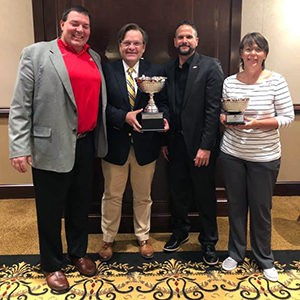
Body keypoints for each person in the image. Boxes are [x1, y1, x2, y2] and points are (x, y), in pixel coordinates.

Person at [8, 6, 107, 293]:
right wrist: (18, 147)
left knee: (80, 205)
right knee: (50, 210)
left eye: (85, 26)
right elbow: (21, 104)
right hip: (50, 145)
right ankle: (51, 264)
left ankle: (77, 252)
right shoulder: (37, 53)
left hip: (86, 143)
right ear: (62, 24)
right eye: (75, 24)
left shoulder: (95, 58)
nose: (80, 30)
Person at [219, 32, 295, 281]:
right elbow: (226, 111)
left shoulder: (276, 81)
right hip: (232, 154)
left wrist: (256, 124)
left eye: (258, 49)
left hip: (265, 157)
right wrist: (224, 118)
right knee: (236, 208)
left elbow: (287, 117)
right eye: (248, 49)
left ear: (265, 54)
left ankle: (264, 258)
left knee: (262, 210)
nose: (253, 54)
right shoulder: (230, 81)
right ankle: (235, 253)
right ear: (240, 53)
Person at [99, 23, 169, 261]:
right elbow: (102, 107)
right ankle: (108, 238)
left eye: (136, 43)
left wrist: (165, 120)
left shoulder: (155, 70)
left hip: (145, 145)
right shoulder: (106, 71)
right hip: (115, 145)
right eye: (126, 43)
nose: (131, 47)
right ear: (119, 46)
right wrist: (123, 117)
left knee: (143, 196)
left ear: (144, 47)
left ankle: (143, 237)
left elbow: (165, 104)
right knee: (112, 195)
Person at [162, 21, 223, 266]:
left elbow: (213, 110)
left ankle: (209, 241)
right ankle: (180, 231)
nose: (184, 41)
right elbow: (164, 104)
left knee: (204, 195)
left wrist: (206, 146)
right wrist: (165, 139)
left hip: (201, 147)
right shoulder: (167, 69)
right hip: (174, 145)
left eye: (189, 37)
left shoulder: (210, 66)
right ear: (175, 42)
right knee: (177, 194)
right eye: (180, 37)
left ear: (196, 41)